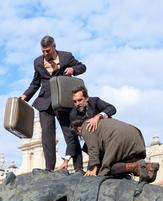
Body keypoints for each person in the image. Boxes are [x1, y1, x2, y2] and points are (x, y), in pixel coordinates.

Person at [20, 35, 86, 171]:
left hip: (63, 101)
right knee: (47, 137)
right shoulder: (37, 62)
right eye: (43, 51)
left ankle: (79, 169)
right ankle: (49, 169)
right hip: (44, 103)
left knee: (70, 134)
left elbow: (82, 67)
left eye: (48, 50)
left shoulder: (66, 57)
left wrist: (73, 70)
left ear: (54, 47)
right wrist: (25, 96)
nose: (45, 53)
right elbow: (35, 83)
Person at [71, 118, 159, 183]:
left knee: (105, 172)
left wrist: (93, 169)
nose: (81, 136)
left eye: (78, 134)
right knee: (118, 166)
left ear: (78, 129)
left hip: (119, 139)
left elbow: (93, 149)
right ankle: (147, 167)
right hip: (136, 136)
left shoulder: (86, 126)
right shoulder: (100, 122)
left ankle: (136, 166)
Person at [60, 85, 117, 169]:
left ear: (86, 98)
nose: (77, 104)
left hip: (108, 139)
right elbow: (72, 139)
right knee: (92, 170)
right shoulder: (73, 114)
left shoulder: (95, 101)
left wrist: (98, 117)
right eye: (75, 101)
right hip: (93, 146)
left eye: (80, 100)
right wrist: (66, 160)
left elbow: (112, 108)